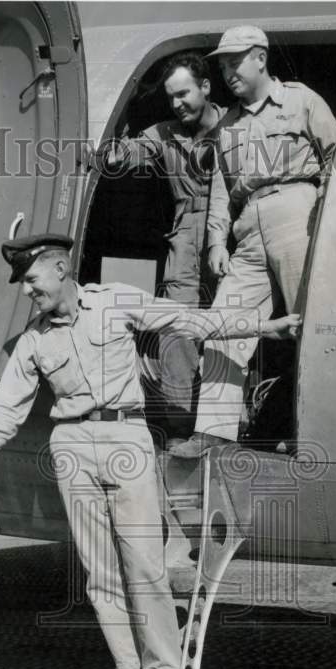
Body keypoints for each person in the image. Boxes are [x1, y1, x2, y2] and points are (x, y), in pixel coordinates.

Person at [0, 233, 301, 669]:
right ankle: (129, 667)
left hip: (127, 436)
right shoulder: (34, 339)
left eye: (31, 279)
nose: (26, 290)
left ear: (60, 269)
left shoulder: (114, 301)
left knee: (143, 560)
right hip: (72, 446)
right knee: (99, 569)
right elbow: (4, 411)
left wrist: (266, 327)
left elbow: (191, 321)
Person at [169, 26, 336, 458]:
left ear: (261, 58)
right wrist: (215, 243)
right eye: (223, 65)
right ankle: (213, 433)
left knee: (312, 326)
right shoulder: (227, 125)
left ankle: (308, 430)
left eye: (235, 62)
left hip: (296, 212)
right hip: (246, 230)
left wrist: (326, 210)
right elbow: (222, 190)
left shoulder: (302, 101)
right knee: (224, 326)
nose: (228, 73)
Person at [102, 53, 227, 444]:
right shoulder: (164, 133)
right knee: (177, 334)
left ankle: (225, 430)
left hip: (231, 238)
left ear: (205, 87)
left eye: (184, 94)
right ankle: (178, 430)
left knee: (233, 335)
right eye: (171, 97)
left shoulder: (238, 125)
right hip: (184, 243)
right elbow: (128, 154)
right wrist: (117, 144)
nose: (178, 104)